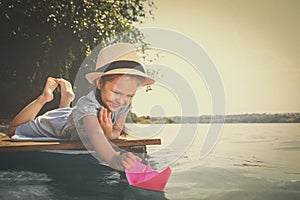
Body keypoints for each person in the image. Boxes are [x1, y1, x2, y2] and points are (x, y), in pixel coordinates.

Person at [7, 43, 155, 171]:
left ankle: (67, 100)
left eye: (130, 95)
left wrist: (109, 133)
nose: (122, 100)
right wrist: (114, 157)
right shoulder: (87, 107)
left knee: (70, 113)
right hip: (62, 124)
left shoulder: (124, 104)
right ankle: (45, 97)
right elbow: (95, 133)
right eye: (116, 92)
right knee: (13, 130)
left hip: (73, 115)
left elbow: (115, 131)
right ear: (99, 83)